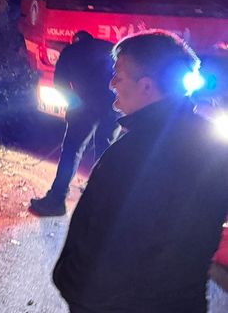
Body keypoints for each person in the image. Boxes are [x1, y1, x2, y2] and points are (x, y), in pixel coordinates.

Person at [53, 30, 228, 313]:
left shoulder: (130, 157)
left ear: (146, 87)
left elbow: (104, 250)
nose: (111, 84)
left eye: (119, 76)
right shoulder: (215, 145)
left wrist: (70, 284)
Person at [30, 31, 120, 216]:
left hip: (85, 107)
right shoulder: (108, 48)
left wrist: (74, 105)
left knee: (72, 151)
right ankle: (102, 202)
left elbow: (60, 84)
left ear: (75, 40)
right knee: (105, 152)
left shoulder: (70, 51)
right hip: (113, 105)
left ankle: (56, 200)